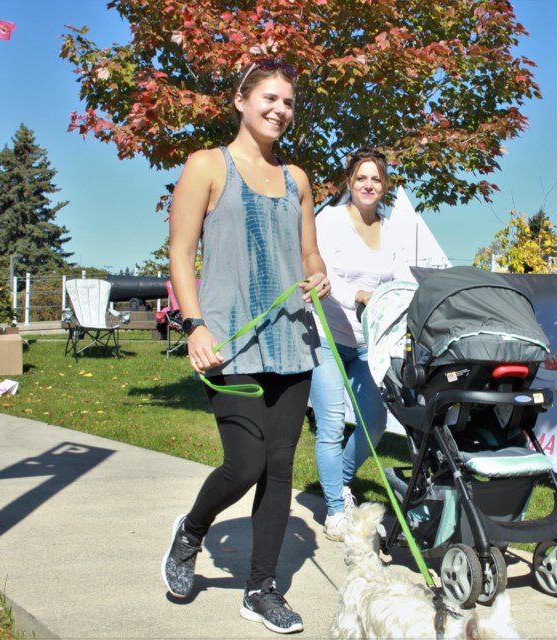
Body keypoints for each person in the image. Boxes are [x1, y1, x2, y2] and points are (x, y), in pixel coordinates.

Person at [162, 59, 329, 635]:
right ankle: (192, 531)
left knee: (280, 467)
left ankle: (261, 589)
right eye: (270, 98)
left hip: (291, 340)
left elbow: (309, 255)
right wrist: (194, 326)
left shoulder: (297, 179)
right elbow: (181, 253)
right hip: (227, 341)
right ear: (240, 99)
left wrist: (318, 274)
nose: (280, 110)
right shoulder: (206, 166)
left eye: (288, 102)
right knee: (245, 462)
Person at [309, 148, 411, 542]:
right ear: (349, 182)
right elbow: (324, 273)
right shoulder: (330, 219)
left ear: (384, 186)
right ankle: (336, 509)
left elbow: (401, 279)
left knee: (375, 422)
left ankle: (341, 481)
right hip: (326, 333)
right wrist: (361, 296)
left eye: (376, 179)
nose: (369, 185)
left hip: (370, 340)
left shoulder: (391, 227)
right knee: (331, 423)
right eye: (361, 178)